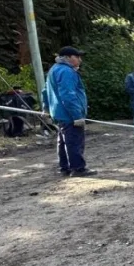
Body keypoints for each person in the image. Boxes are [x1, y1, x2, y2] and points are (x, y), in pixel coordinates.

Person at [42, 46, 96, 177]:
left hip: (59, 113)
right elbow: (68, 95)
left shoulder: (53, 70)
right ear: (68, 57)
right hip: (69, 114)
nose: (80, 60)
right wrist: (77, 115)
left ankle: (65, 167)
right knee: (74, 141)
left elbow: (45, 92)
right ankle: (78, 168)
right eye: (77, 57)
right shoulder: (66, 71)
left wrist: (46, 108)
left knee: (63, 141)